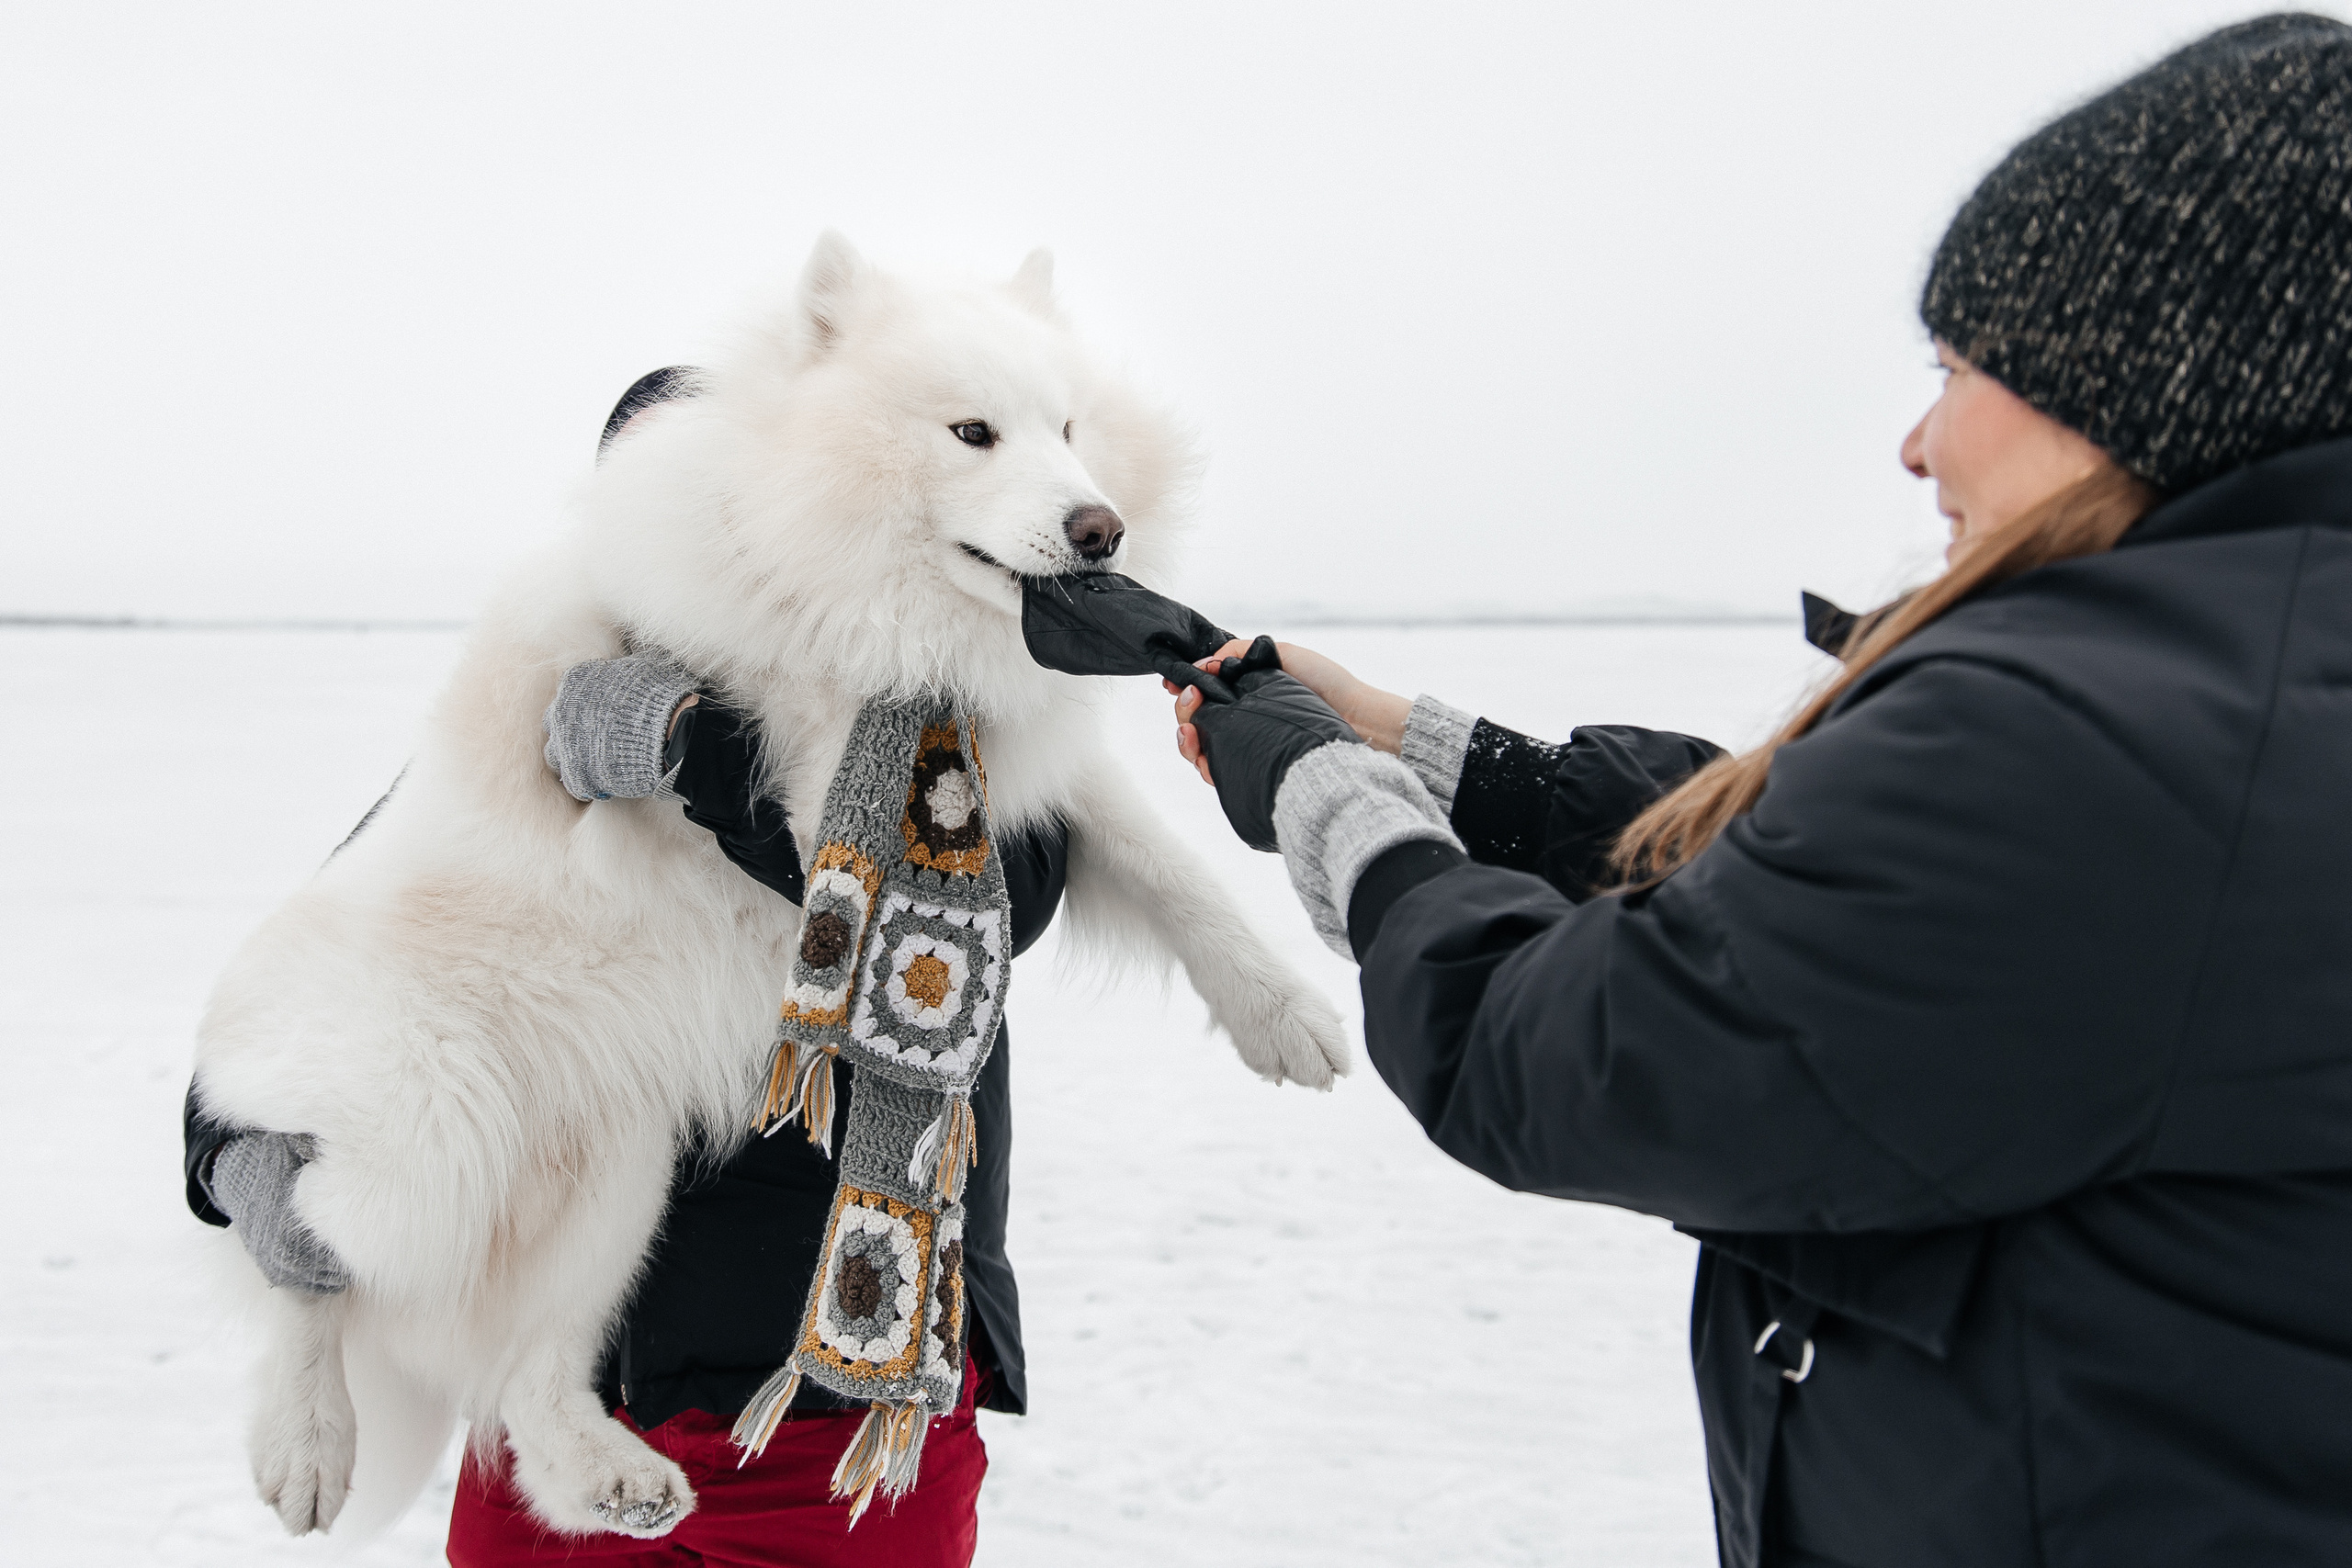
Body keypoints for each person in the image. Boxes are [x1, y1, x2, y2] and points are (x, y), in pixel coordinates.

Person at [1036, 15, 2352, 1565]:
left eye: (1960, 369)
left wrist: (1330, 796)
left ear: (2139, 374)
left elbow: (1570, 1053)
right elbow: (1827, 866)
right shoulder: (2242, 686)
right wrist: (1424, 745)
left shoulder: (2094, 739)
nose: (1919, 442)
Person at [181, 368, 1059, 1566]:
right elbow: (325, 966)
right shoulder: (531, 719)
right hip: (554, 1426)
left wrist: (690, 747)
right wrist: (238, 1168)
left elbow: (997, 896)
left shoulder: (937, 691)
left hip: (831, 1430)